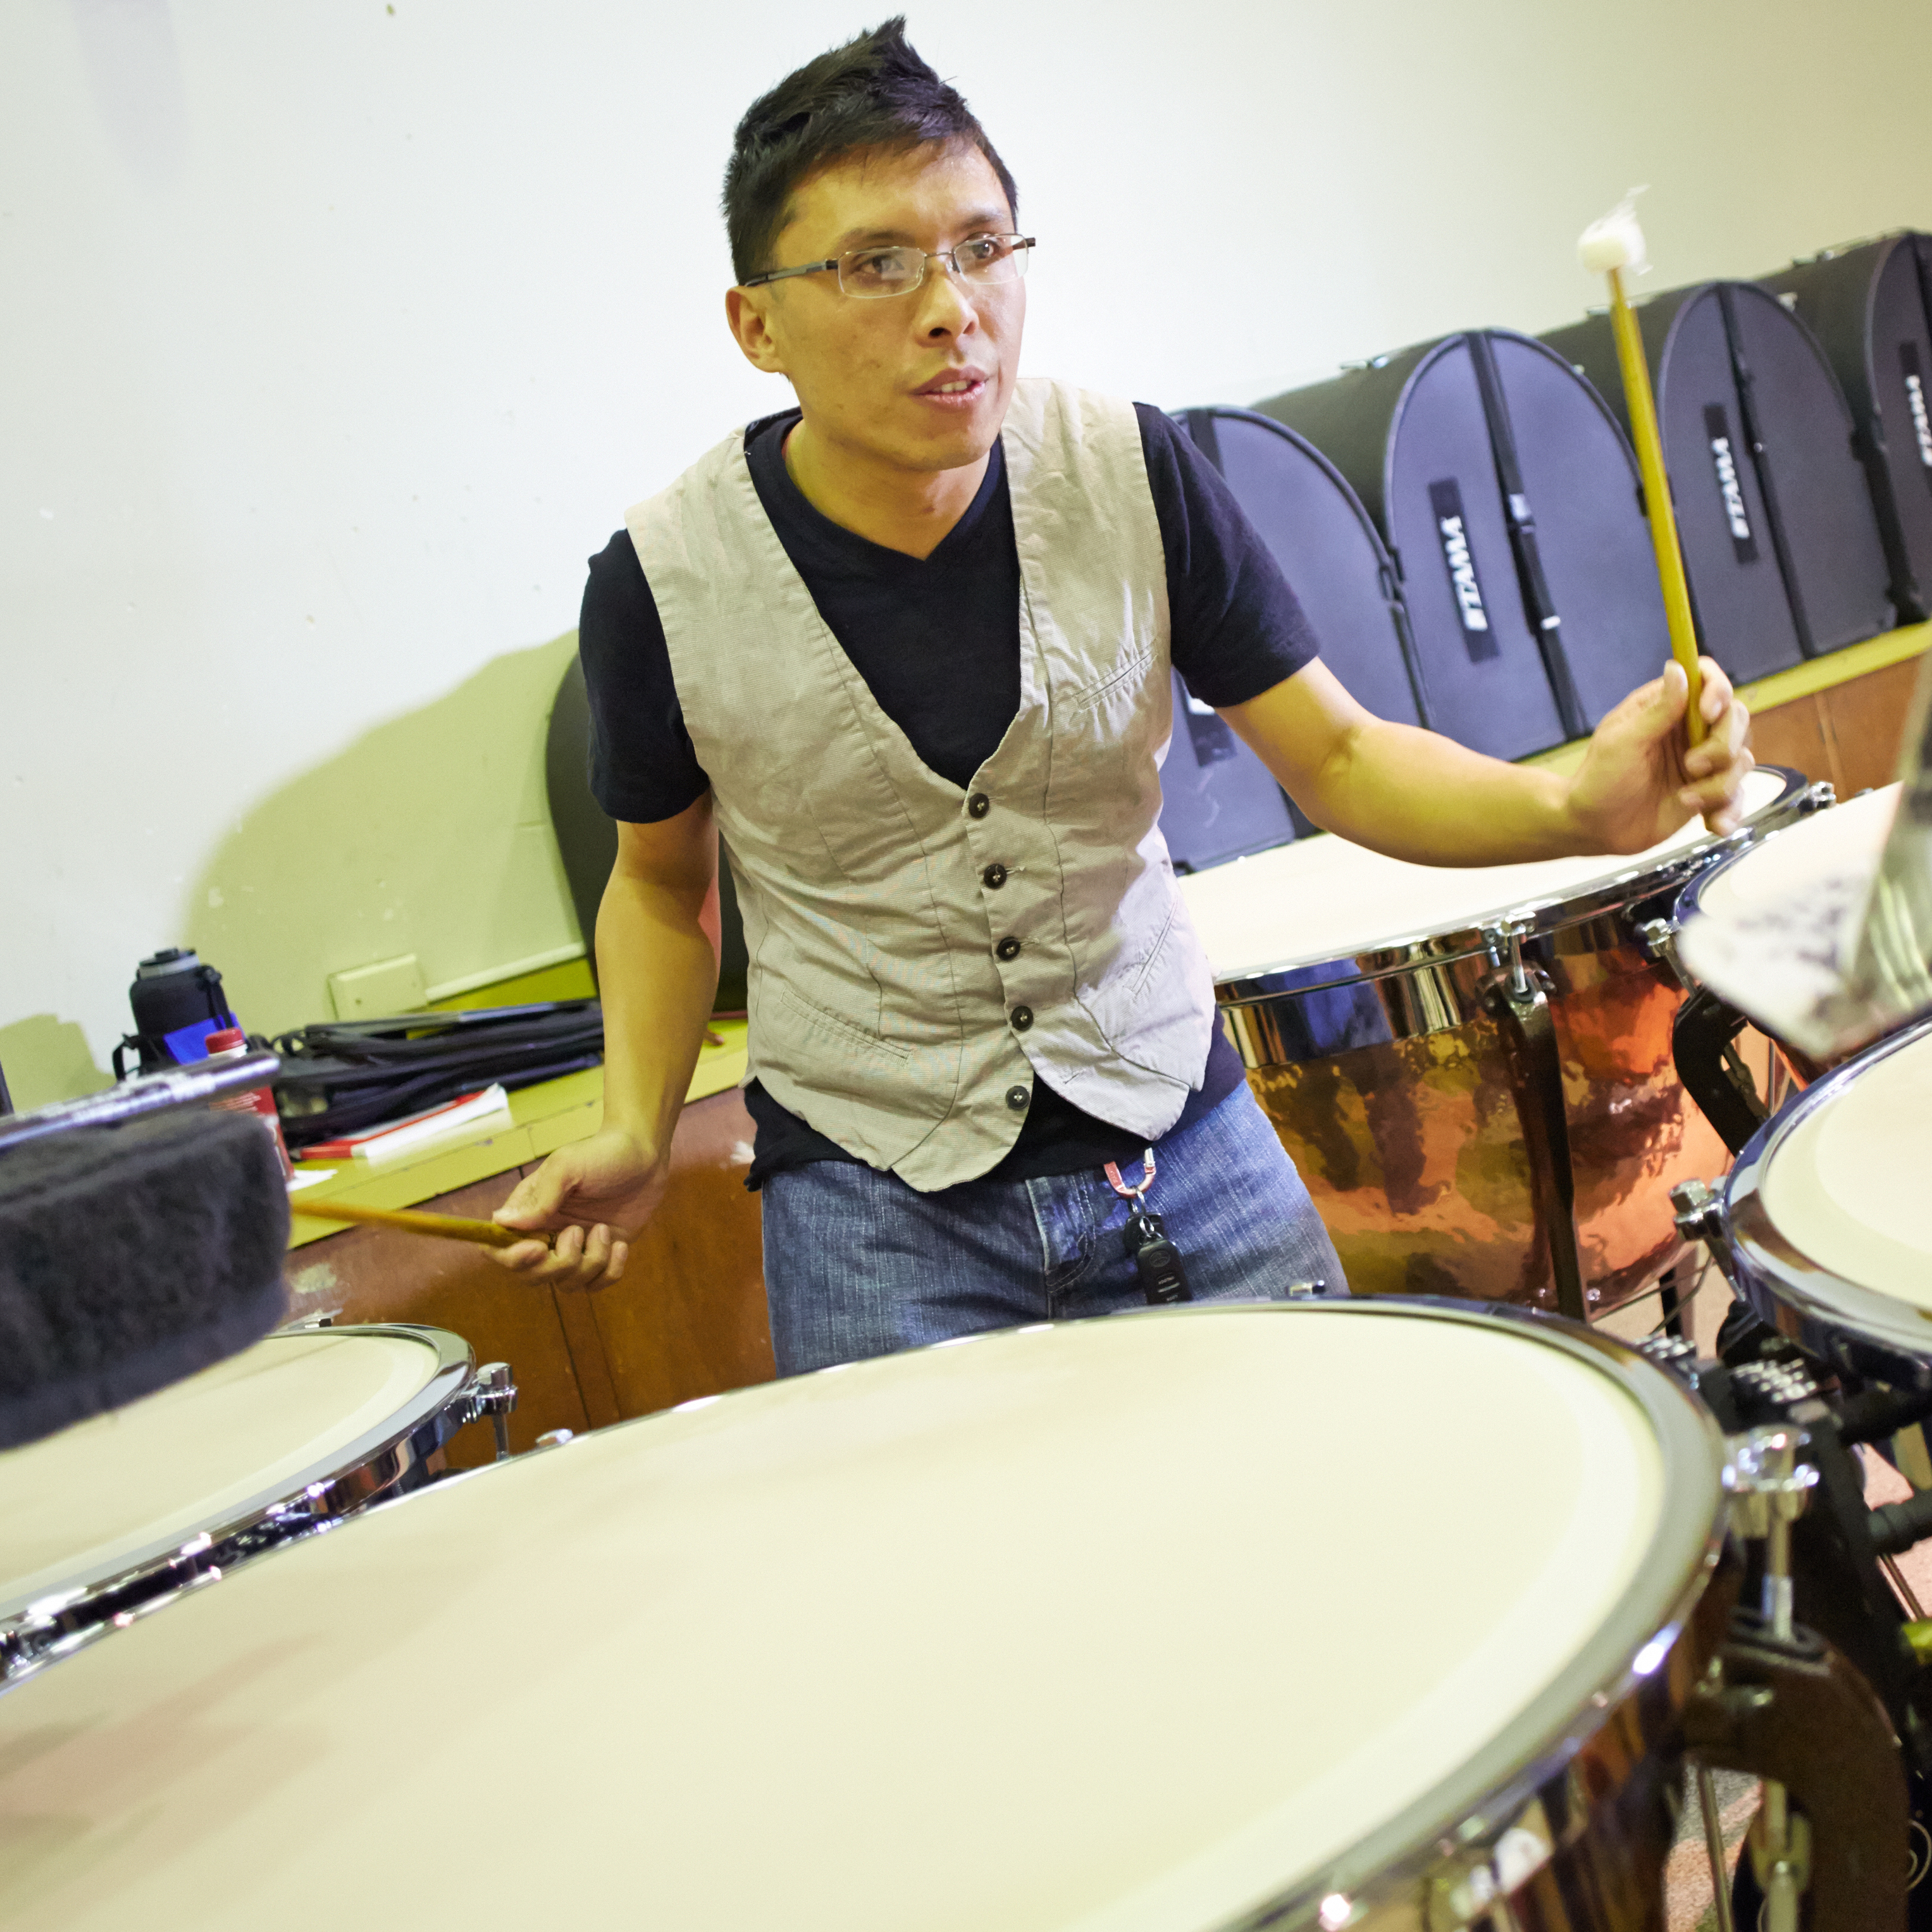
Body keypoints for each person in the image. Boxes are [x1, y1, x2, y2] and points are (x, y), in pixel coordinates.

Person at [490, 19, 1753, 1371]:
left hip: (1183, 1137)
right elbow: (658, 887)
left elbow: (1335, 753)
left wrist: (1574, 805)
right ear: (757, 325)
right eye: (877, 265)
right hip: (873, 1205)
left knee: (1332, 1502)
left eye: (984, 248)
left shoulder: (1131, 470)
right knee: (944, 1583)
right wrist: (635, 1119)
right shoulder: (661, 581)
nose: (950, 307)